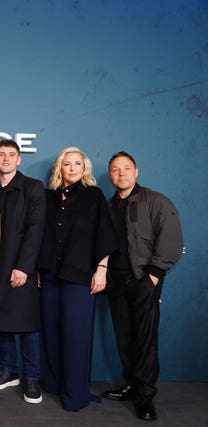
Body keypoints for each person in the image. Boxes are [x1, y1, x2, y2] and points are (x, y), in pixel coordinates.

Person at [102, 152, 183, 421]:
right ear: (110, 174)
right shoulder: (109, 205)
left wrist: (153, 276)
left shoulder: (156, 201)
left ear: (136, 171)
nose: (121, 173)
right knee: (124, 337)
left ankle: (145, 395)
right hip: (116, 281)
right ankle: (131, 384)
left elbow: (171, 238)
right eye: (115, 169)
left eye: (126, 168)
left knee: (144, 339)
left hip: (143, 280)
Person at [37, 146, 117, 412]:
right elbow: (41, 235)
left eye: (77, 164)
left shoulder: (93, 196)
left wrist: (102, 269)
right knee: (50, 331)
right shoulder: (47, 197)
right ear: (59, 167)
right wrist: (38, 268)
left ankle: (75, 393)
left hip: (80, 275)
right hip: (49, 275)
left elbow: (104, 233)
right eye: (67, 164)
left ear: (85, 170)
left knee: (76, 335)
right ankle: (53, 384)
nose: (72, 168)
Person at [0, 139, 46, 404]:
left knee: (27, 323)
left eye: (11, 155)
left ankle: (31, 376)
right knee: (1, 320)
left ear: (19, 160)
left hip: (22, 266)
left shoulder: (33, 187)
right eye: (1, 155)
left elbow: (36, 229)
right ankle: (9, 370)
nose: (6, 159)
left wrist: (24, 266)